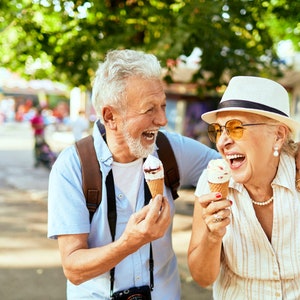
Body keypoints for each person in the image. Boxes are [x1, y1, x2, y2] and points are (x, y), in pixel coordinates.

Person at [47, 49, 220, 299]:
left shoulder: (172, 150)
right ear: (110, 116)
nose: (162, 120)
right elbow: (73, 268)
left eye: (162, 106)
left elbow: (234, 167)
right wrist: (130, 242)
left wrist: (292, 151)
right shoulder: (72, 167)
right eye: (149, 109)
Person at [188, 76, 300, 299]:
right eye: (218, 130)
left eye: (236, 128)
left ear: (278, 136)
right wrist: (212, 236)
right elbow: (202, 278)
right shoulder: (212, 182)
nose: (222, 141)